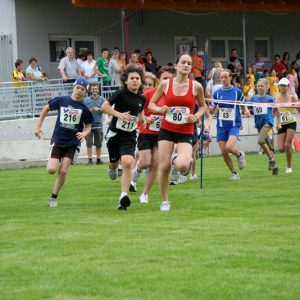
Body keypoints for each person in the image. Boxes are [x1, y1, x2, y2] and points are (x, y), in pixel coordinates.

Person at [148, 54, 206, 211]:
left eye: (189, 63)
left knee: (183, 165)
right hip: (167, 129)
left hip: (186, 130)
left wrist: (197, 115)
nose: (186, 65)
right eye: (183, 62)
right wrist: (160, 109)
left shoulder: (196, 87)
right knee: (164, 166)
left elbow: (203, 107)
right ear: (177, 65)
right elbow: (151, 105)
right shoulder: (165, 84)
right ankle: (164, 201)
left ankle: (175, 158)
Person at [34, 78, 93, 207]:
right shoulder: (62, 100)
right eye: (77, 88)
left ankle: (53, 198)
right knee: (51, 169)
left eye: (82, 89)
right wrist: (38, 126)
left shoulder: (84, 108)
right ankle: (53, 158)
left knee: (64, 171)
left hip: (73, 143)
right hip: (58, 139)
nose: (79, 91)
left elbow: (88, 126)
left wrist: (84, 133)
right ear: (73, 87)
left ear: (85, 93)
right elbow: (46, 108)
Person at [101, 65, 146, 210]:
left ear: (141, 81)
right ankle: (111, 167)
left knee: (127, 162)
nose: (134, 81)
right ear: (125, 81)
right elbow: (104, 107)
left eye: (137, 78)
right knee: (114, 163)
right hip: (114, 134)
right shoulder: (120, 93)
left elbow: (140, 115)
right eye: (131, 78)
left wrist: (144, 121)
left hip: (130, 136)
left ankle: (123, 196)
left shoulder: (141, 99)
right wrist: (119, 115)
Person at [130, 66, 176, 203]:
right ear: (159, 80)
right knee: (145, 162)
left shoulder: (173, 97)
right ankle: (137, 170)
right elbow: (137, 110)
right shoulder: (150, 94)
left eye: (170, 78)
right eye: (164, 78)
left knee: (156, 163)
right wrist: (145, 119)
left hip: (163, 134)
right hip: (146, 132)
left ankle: (145, 194)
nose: (167, 81)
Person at [209, 69, 250, 181]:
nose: (223, 79)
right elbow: (211, 109)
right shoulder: (217, 93)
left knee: (229, 147)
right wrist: (211, 108)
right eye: (221, 77)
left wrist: (246, 111)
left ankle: (239, 154)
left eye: (225, 77)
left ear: (230, 77)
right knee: (224, 151)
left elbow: (242, 105)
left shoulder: (237, 91)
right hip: (221, 125)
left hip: (234, 124)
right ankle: (234, 173)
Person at [249, 78, 278, 175]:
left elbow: (276, 109)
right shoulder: (253, 98)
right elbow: (245, 105)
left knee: (260, 140)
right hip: (258, 123)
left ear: (267, 87)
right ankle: (275, 167)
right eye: (258, 86)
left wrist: (278, 122)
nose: (259, 88)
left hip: (267, 122)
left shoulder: (269, 98)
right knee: (266, 143)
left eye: (262, 86)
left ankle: (271, 159)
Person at [275, 78, 299, 173]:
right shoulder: (276, 97)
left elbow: (298, 110)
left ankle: (289, 167)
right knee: (281, 148)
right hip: (282, 123)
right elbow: (276, 111)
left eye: (284, 85)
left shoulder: (292, 97)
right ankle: (290, 145)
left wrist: (296, 105)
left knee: (287, 145)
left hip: (291, 122)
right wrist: (278, 122)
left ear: (288, 87)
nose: (283, 87)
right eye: (281, 85)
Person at [84, 83, 105, 165]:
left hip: (98, 124)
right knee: (88, 143)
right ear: (90, 90)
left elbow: (107, 110)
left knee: (98, 143)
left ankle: (98, 159)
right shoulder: (86, 100)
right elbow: (82, 111)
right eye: (93, 89)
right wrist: (88, 111)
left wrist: (99, 109)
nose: (94, 90)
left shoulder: (102, 99)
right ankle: (90, 160)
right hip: (88, 125)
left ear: (98, 89)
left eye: (96, 88)